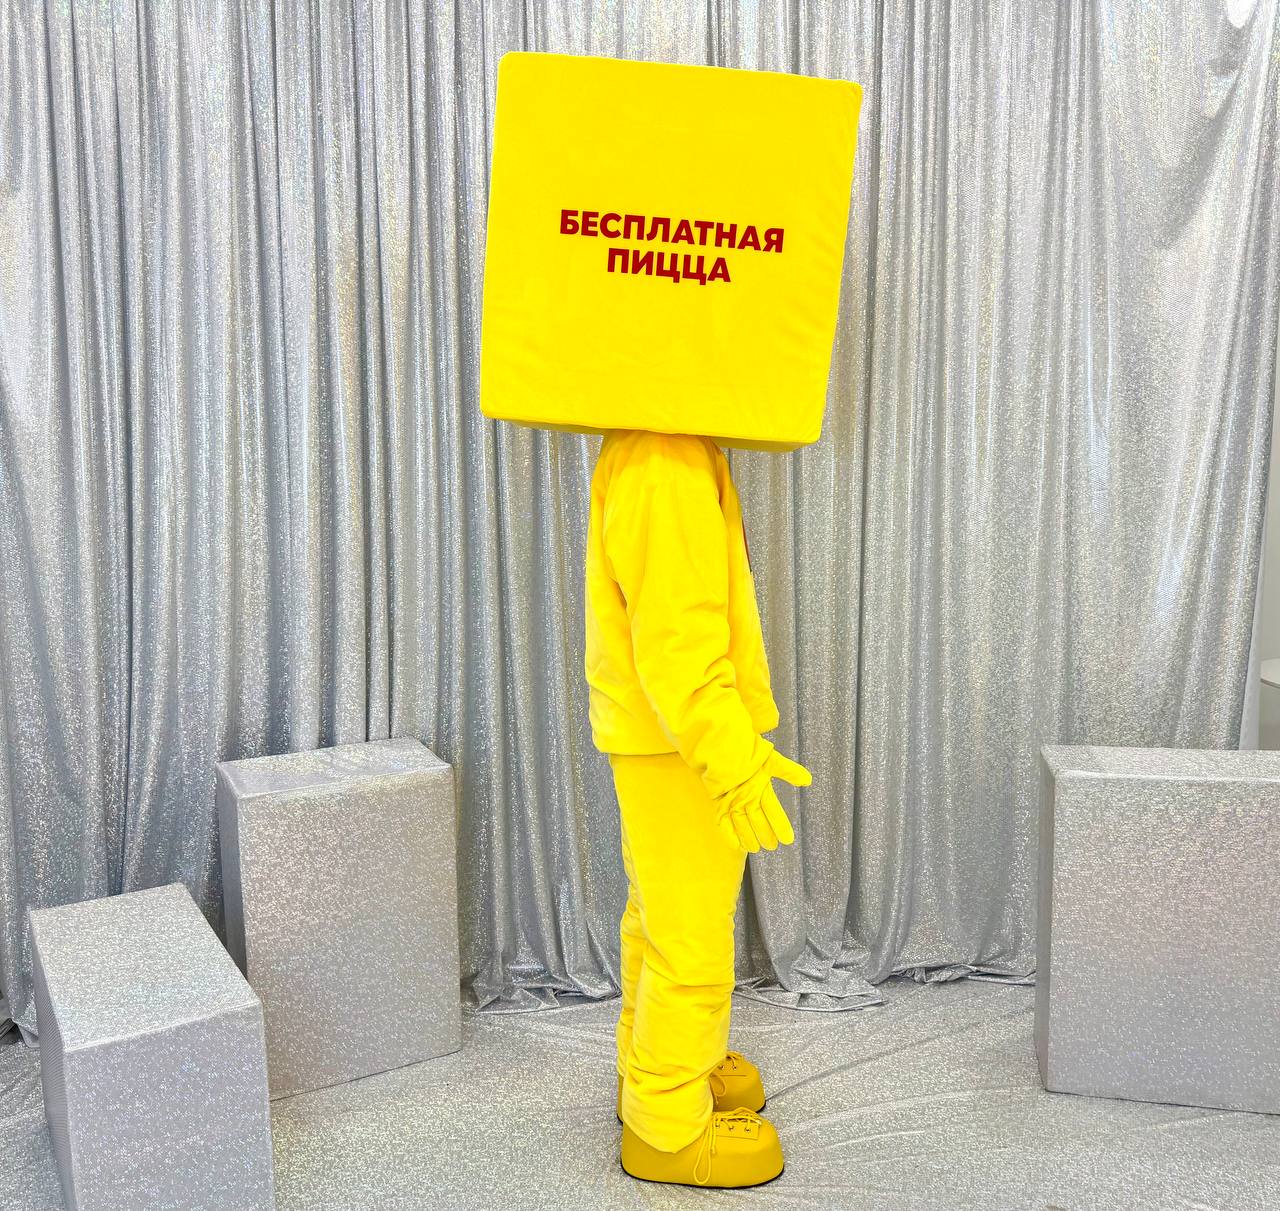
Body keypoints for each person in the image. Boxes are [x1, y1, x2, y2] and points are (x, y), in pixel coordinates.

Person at [585, 427, 811, 1188]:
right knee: (691, 937)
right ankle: (666, 1128)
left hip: (661, 735)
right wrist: (731, 758)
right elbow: (677, 642)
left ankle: (654, 1069)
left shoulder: (662, 450)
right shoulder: (666, 464)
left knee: (659, 915)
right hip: (678, 741)